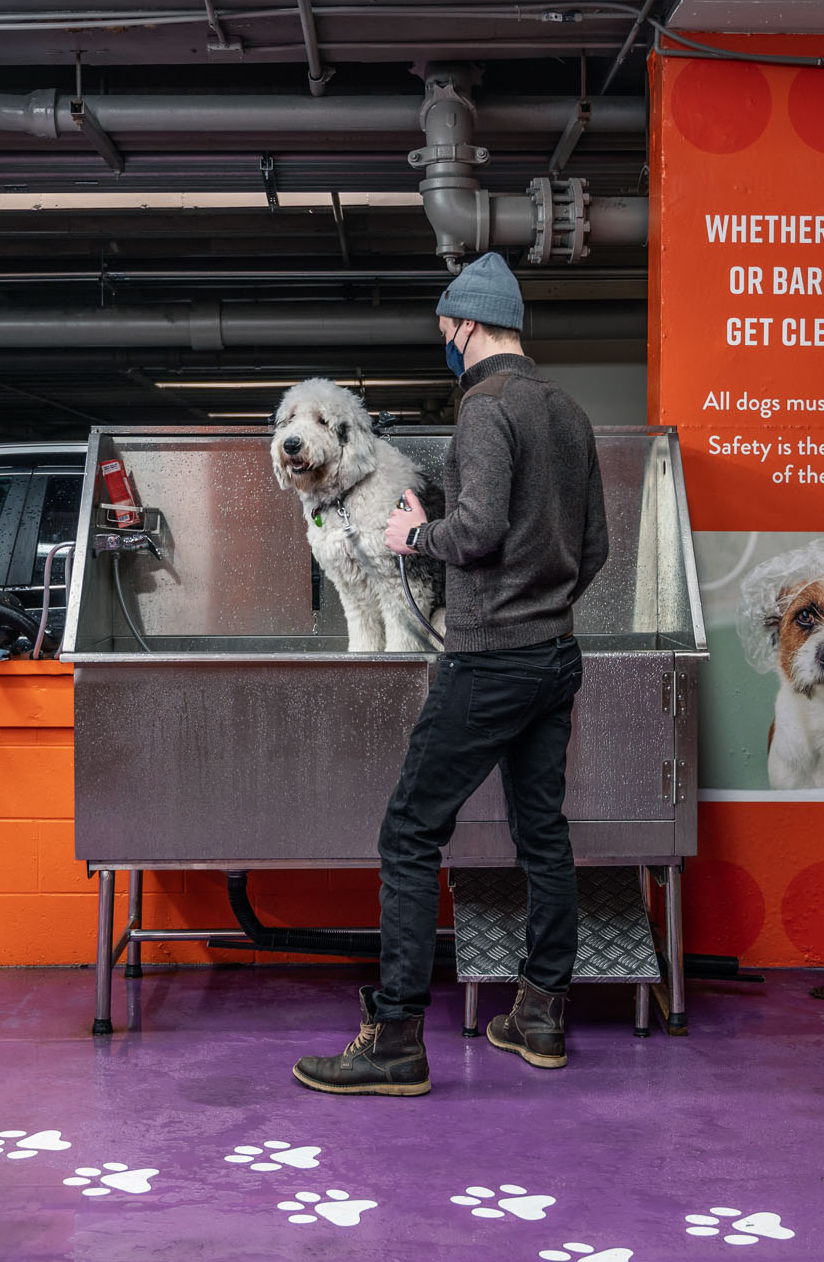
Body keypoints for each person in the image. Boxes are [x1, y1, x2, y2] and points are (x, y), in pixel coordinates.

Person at [293, 251, 609, 1097]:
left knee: (407, 834)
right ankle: (540, 1013)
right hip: (555, 657)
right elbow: (596, 548)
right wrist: (544, 607)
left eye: (446, 328)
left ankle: (395, 1037)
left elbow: (474, 533)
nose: (446, 340)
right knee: (542, 832)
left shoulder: (484, 409)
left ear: (465, 324)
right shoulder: (568, 412)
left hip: (489, 659)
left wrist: (411, 539)